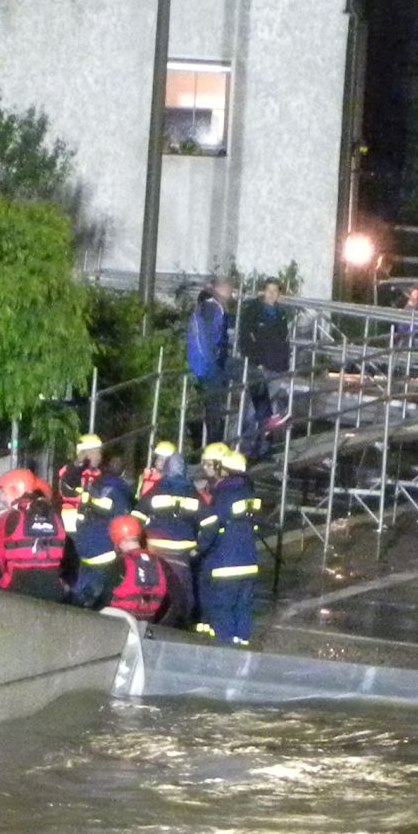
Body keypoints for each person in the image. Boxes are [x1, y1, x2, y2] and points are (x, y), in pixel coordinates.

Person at [191, 442, 263, 645]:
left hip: (225, 564)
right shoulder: (248, 492)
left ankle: (226, 652)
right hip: (249, 562)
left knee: (222, 609)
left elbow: (212, 526)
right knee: (243, 609)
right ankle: (242, 649)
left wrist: (198, 548)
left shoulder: (224, 494)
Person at [0, 468, 72, 602]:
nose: (1, 497)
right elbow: (66, 555)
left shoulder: (8, 518)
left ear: (16, 491)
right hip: (53, 590)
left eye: (4, 493)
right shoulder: (55, 517)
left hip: (18, 589)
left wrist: (4, 582)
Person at [140, 441, 204, 625]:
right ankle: (182, 622)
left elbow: (137, 514)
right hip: (183, 551)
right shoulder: (192, 491)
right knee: (183, 587)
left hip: (156, 546)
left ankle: (156, 618)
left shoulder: (157, 488)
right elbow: (209, 521)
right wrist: (200, 546)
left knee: (158, 583)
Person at [69, 454, 132, 607]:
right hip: (104, 547)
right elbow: (122, 524)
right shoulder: (121, 493)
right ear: (123, 473)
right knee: (98, 590)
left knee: (81, 582)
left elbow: (82, 509)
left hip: (83, 539)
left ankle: (73, 609)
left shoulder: (93, 485)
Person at [184, 273, 237, 452]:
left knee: (214, 407)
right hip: (208, 366)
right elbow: (207, 340)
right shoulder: (211, 308)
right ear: (222, 290)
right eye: (230, 291)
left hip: (210, 364)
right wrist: (214, 363)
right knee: (213, 409)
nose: (231, 295)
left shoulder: (213, 308)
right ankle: (215, 448)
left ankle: (215, 445)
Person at [244, 279, 294, 440]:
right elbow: (245, 338)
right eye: (269, 290)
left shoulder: (280, 314)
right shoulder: (253, 311)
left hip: (277, 366)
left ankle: (261, 444)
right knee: (255, 406)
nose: (272, 294)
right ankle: (246, 441)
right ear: (263, 291)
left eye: (275, 291)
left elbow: (284, 340)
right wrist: (255, 361)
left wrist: (285, 363)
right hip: (260, 365)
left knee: (269, 407)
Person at [98, 514, 170, 624]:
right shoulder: (160, 562)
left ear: (117, 539)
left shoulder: (120, 564)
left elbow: (104, 596)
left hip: (119, 621)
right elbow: (169, 599)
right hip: (148, 620)